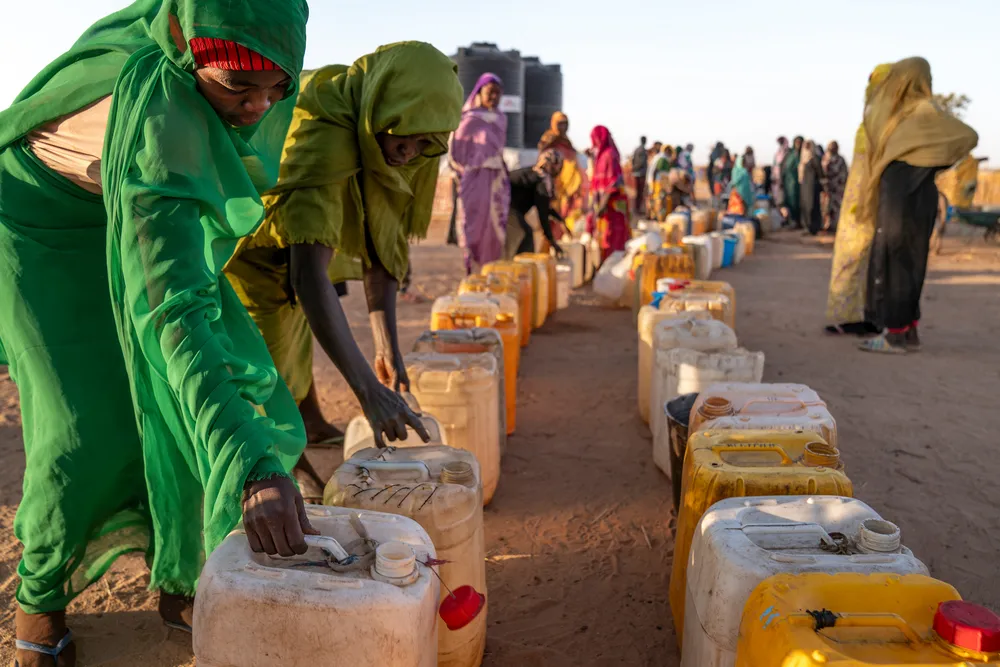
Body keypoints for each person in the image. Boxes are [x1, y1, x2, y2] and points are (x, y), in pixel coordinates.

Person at [0, 1, 319, 663]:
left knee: (185, 399)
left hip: (125, 209)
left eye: (276, 89)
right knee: (80, 426)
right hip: (32, 222)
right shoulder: (159, 111)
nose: (260, 108)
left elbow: (179, 305)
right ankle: (38, 601)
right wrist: (255, 469)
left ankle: (180, 571)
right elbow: (174, 316)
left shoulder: (216, 67)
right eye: (239, 88)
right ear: (185, 44)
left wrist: (248, 457)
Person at [225, 42, 457, 473]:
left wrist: (387, 346)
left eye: (425, 142)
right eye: (405, 134)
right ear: (384, 104)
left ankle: (309, 422)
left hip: (297, 249)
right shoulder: (327, 131)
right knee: (267, 353)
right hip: (250, 232)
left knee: (297, 333)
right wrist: (367, 391)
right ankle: (283, 464)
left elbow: (382, 241)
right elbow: (309, 277)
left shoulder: (414, 146)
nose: (410, 151)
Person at [859, 57, 977, 354]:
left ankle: (894, 335)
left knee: (896, 260)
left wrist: (927, 159)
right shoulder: (913, 115)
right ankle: (908, 331)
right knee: (912, 263)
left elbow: (967, 137)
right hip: (917, 198)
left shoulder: (921, 114)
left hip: (902, 200)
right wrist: (931, 161)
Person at [825, 64, 893, 336]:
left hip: (862, 200)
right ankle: (848, 316)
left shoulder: (876, 120)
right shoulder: (878, 120)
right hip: (862, 201)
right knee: (856, 257)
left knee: (861, 257)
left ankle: (854, 315)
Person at [449, 73, 510, 274]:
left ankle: (490, 271)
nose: (494, 97)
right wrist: (469, 169)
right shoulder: (468, 119)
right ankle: (473, 270)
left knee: (494, 228)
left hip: (497, 181)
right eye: (490, 92)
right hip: (474, 179)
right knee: (473, 224)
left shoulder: (501, 118)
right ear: (479, 92)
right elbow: (455, 152)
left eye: (498, 93)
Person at [506, 149, 566, 257]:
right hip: (506, 207)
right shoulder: (542, 180)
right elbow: (542, 212)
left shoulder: (537, 174)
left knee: (515, 238)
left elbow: (544, 205)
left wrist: (560, 220)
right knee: (526, 234)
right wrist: (552, 241)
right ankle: (523, 269)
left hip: (503, 205)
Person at [538, 111, 588, 233]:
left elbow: (572, 158)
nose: (562, 127)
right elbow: (542, 159)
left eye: (565, 124)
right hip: (552, 182)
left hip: (567, 185)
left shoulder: (566, 141)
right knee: (550, 214)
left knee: (565, 214)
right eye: (560, 124)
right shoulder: (548, 139)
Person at [588, 126, 630, 261]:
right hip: (606, 205)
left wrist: (602, 205)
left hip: (611, 206)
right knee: (604, 236)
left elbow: (613, 183)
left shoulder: (609, 155)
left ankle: (611, 266)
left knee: (611, 237)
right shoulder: (602, 155)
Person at [822, 141, 849, 232]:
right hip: (827, 189)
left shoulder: (840, 159)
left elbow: (844, 174)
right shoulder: (825, 159)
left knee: (836, 208)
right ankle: (827, 225)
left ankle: (836, 226)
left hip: (837, 188)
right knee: (826, 208)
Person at [799, 140, 824, 234]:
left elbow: (820, 173)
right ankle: (807, 227)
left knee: (812, 207)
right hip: (804, 186)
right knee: (805, 206)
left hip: (813, 187)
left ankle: (814, 228)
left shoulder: (815, 159)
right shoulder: (802, 160)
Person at [782, 136, 804, 226]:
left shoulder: (804, 154)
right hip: (790, 183)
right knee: (791, 202)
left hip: (801, 183)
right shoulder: (790, 154)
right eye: (796, 142)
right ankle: (793, 221)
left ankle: (799, 221)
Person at [631, 136, 649, 216]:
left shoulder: (636, 149)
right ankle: (637, 209)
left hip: (636, 173)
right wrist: (636, 168)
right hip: (640, 174)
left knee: (638, 192)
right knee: (639, 193)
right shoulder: (643, 150)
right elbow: (641, 162)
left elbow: (633, 160)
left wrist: (634, 169)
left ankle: (636, 209)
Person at [772, 137, 790, 210]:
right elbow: (775, 165)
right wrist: (773, 176)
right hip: (777, 178)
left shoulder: (788, 152)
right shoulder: (778, 153)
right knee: (778, 198)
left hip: (786, 179)